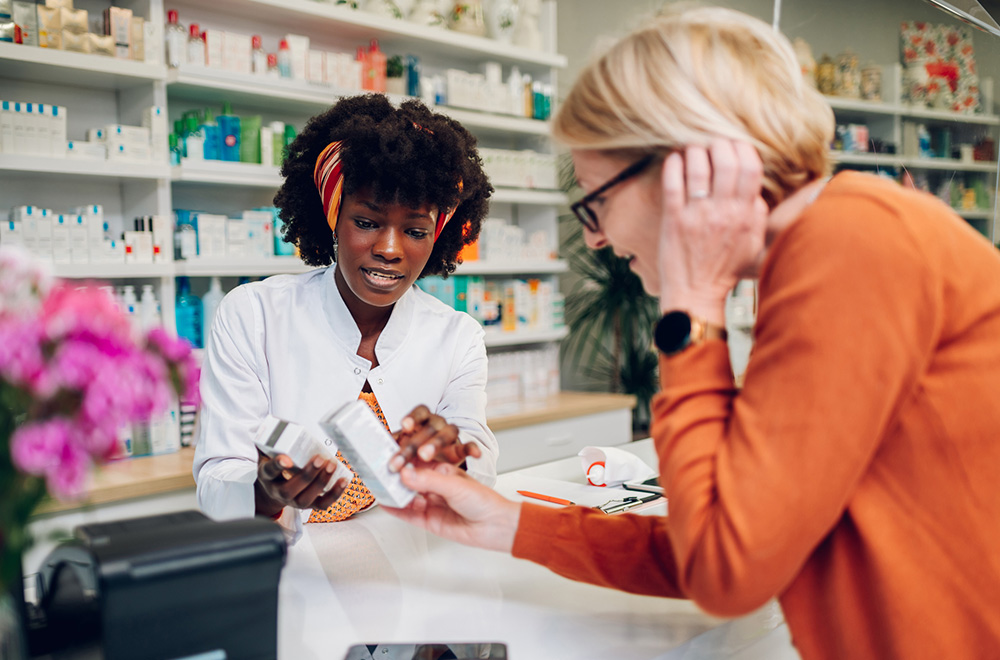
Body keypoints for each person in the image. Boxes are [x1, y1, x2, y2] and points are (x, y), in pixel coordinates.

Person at [385, 6, 1000, 659]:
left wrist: (691, 304)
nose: (595, 238)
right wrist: (508, 523)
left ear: (685, 168)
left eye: (596, 200)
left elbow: (727, 569)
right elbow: (731, 535)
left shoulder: (851, 246)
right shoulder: (827, 246)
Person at [193, 95, 498, 538]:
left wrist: (454, 457)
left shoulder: (457, 337)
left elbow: (481, 464)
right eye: (368, 222)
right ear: (334, 219)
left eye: (415, 231)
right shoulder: (254, 314)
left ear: (437, 238)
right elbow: (216, 484)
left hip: (401, 555)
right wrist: (268, 492)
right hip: (287, 564)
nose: (390, 249)